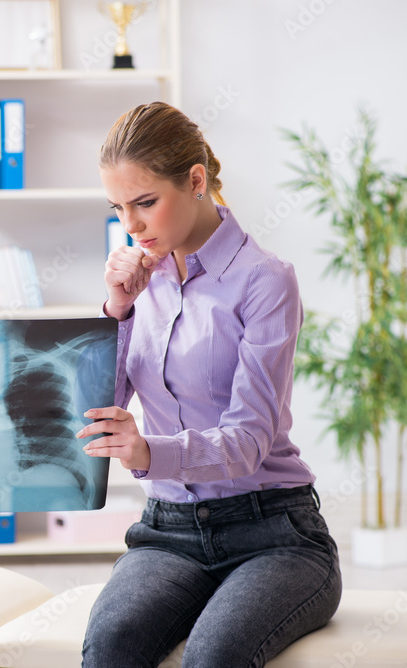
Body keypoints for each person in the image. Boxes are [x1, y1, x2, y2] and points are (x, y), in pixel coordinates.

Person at [75, 102, 341, 667]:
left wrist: (150, 450)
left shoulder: (264, 281)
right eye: (119, 207)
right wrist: (117, 311)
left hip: (272, 531)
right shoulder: (139, 281)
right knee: (110, 646)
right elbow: (96, 410)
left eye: (146, 202)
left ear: (196, 181)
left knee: (213, 656)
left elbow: (248, 441)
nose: (131, 224)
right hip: (168, 531)